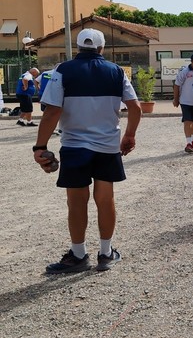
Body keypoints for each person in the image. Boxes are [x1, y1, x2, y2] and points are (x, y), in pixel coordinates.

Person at [33, 28, 142, 273]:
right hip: (107, 146)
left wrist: (40, 146)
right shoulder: (116, 72)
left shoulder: (62, 71)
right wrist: (130, 136)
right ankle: (106, 253)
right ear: (101, 48)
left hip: (74, 146)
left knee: (76, 201)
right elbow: (135, 108)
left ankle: (79, 255)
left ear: (79, 47)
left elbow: (52, 111)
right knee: (105, 199)